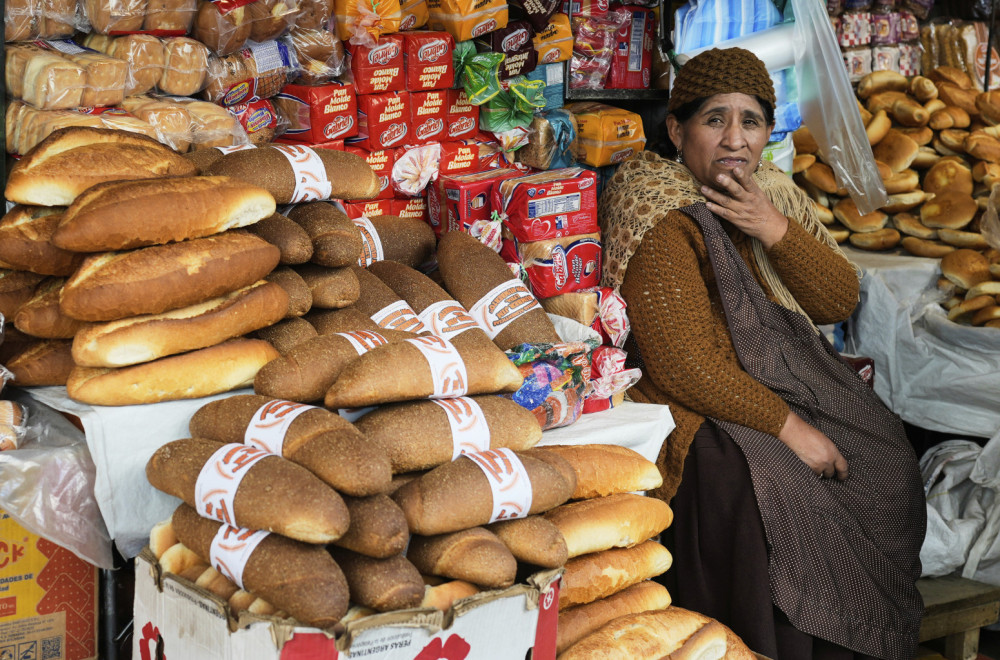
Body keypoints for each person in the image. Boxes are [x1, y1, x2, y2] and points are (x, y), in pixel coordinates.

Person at [598, 47, 926, 660]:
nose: (734, 139)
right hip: (691, 401)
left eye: (750, 121)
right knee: (772, 490)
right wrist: (793, 429)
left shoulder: (767, 193)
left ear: (767, 132)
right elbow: (685, 364)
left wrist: (772, 228)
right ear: (676, 129)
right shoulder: (654, 203)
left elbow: (837, 298)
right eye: (714, 119)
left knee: (884, 458)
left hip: (773, 381)